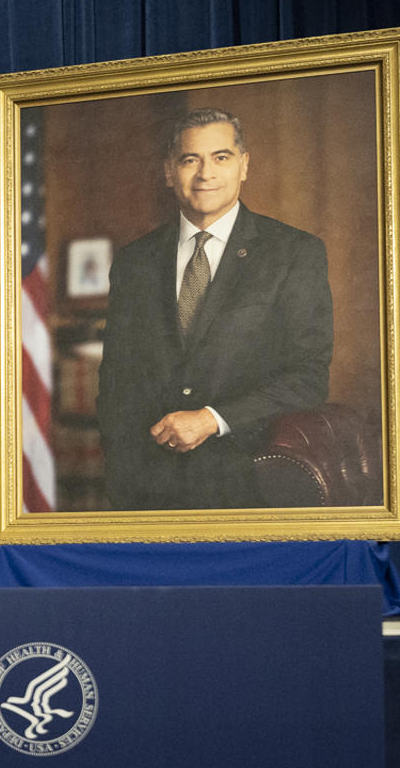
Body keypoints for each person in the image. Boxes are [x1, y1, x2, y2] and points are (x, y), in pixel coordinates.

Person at [95, 108, 333, 511]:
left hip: (248, 484)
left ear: (244, 166)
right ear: (170, 171)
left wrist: (211, 419)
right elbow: (115, 379)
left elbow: (308, 378)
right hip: (143, 490)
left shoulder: (294, 253)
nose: (206, 173)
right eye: (191, 160)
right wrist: (122, 469)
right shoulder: (135, 261)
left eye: (221, 157)